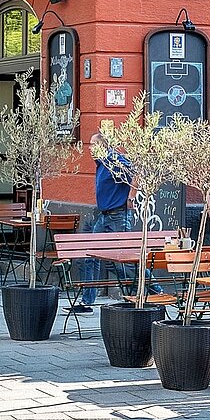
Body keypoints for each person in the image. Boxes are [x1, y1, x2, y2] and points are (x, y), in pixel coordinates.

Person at [69, 133, 150, 315]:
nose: (89, 149)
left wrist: (131, 197)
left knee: (125, 262)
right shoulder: (101, 163)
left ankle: (153, 291)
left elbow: (135, 173)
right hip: (104, 216)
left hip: (118, 216)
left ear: (102, 146)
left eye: (92, 145)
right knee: (90, 256)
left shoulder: (114, 160)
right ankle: (87, 301)